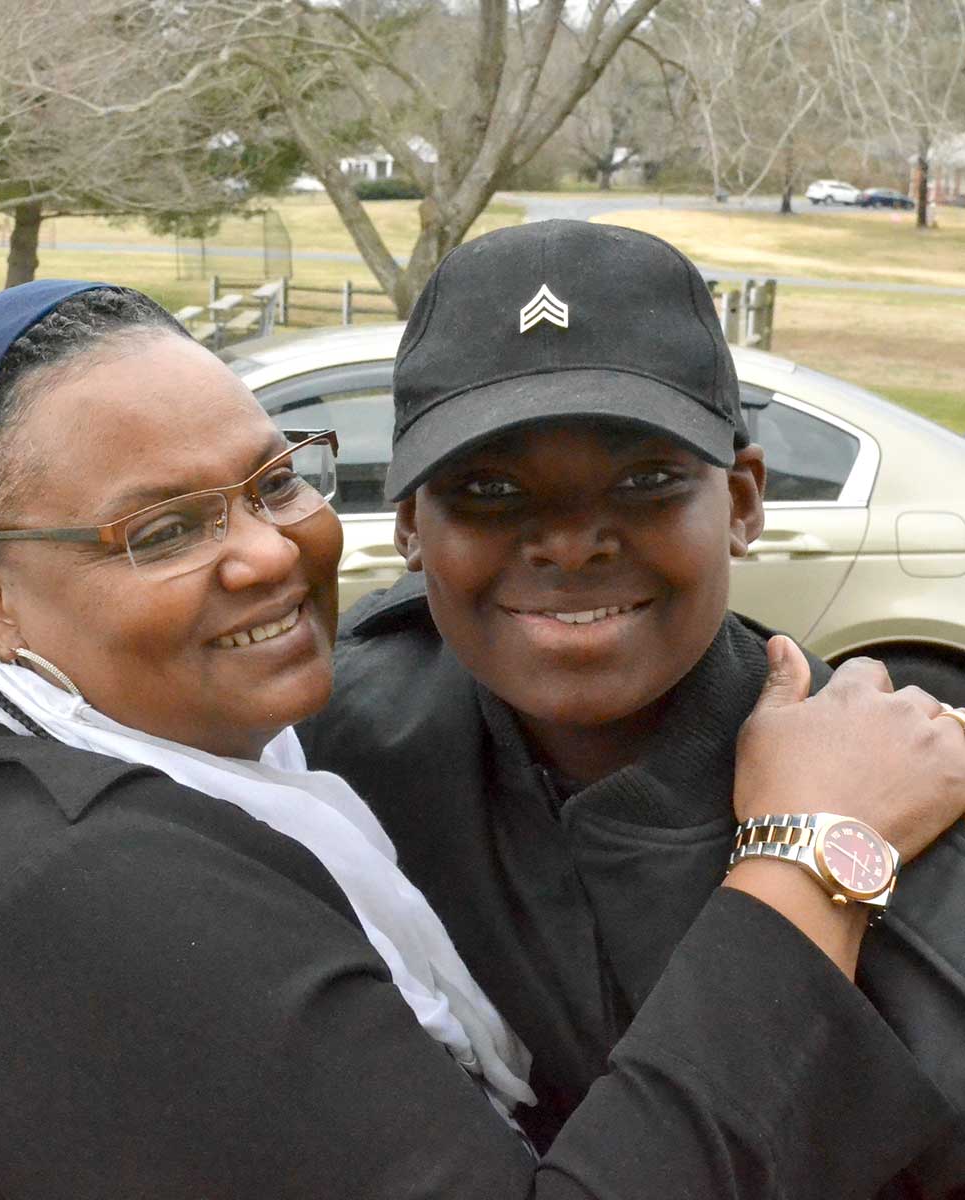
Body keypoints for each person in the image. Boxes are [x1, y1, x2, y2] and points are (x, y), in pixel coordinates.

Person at [0, 279, 965, 1200]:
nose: (266, 551)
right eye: (161, 530)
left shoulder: (263, 763)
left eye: (274, 482)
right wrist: (810, 857)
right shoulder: (94, 887)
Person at [300, 220, 965, 1196]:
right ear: (408, 528)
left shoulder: (917, 834)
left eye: (646, 479)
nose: (570, 543)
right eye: (487, 488)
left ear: (742, 501)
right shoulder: (331, 768)